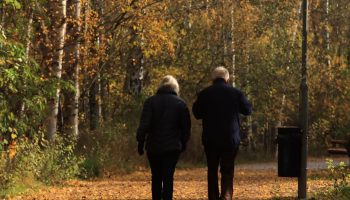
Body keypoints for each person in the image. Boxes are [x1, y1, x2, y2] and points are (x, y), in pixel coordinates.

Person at [192, 66, 252, 200]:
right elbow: (248, 110)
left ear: (212, 78)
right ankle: (226, 196)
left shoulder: (205, 93)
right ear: (227, 78)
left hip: (210, 139)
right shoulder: (236, 93)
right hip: (230, 139)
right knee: (228, 169)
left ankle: (213, 197)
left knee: (212, 169)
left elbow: (196, 113)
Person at [136, 75, 191, 200]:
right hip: (172, 147)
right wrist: (183, 143)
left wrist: (140, 142)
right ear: (175, 87)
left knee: (156, 176)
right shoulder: (180, 103)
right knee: (168, 177)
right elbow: (186, 128)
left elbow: (144, 124)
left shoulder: (150, 102)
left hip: (153, 146)